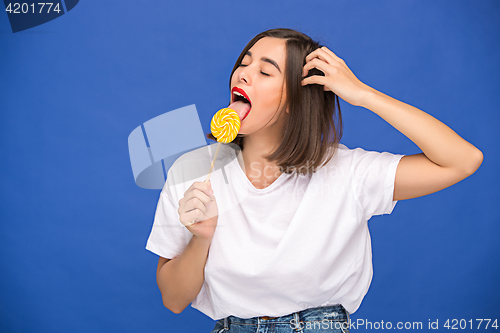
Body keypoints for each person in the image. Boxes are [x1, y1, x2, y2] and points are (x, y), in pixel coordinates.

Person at [145, 28, 483, 333]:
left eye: (264, 71)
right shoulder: (192, 171)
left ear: (295, 100)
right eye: (244, 64)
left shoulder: (346, 171)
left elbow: (463, 160)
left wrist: (363, 94)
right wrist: (200, 239)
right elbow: (173, 300)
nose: (244, 75)